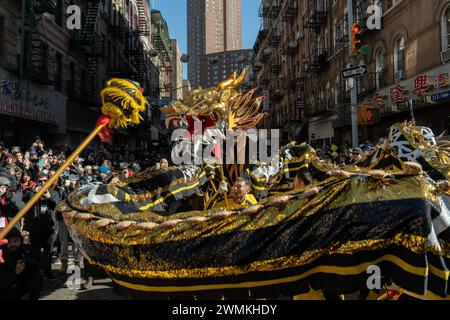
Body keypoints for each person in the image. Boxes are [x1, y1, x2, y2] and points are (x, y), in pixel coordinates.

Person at [23, 173, 60, 281]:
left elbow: (58, 205)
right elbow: (25, 198)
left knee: (48, 253)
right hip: (35, 228)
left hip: (49, 228)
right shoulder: (30, 192)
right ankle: (36, 275)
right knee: (35, 252)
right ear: (36, 181)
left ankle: (48, 273)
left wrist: (49, 197)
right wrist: (36, 192)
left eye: (45, 181)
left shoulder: (52, 192)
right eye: (40, 181)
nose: (43, 183)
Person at [0, 228, 43, 300]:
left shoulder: (27, 249)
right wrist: (15, 272)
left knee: (35, 278)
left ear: (21, 240)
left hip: (22, 283)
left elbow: (43, 263)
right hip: (6, 288)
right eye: (9, 242)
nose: (13, 244)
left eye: (16, 241)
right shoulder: (2, 256)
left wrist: (28, 262)